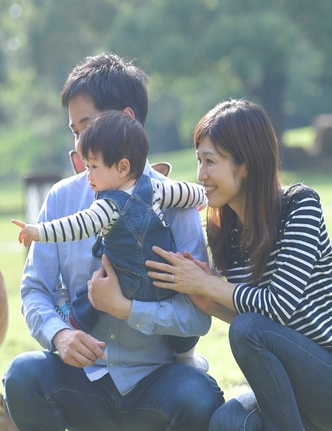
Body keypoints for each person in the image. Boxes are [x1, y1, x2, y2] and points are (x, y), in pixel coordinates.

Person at [2, 54, 225, 431]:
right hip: (83, 383)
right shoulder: (63, 198)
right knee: (22, 376)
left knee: (202, 396)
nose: (79, 143)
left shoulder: (174, 203)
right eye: (73, 131)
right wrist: (60, 335)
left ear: (125, 120)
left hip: (156, 383)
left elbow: (196, 318)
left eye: (86, 126)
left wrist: (126, 308)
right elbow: (34, 290)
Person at [146, 99, 332, 431]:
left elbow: (277, 306)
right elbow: (254, 319)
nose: (200, 175)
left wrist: (209, 286)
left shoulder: (300, 205)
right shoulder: (225, 230)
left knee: (249, 329)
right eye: (198, 162)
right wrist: (205, 299)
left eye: (210, 161)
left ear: (247, 165)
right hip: (297, 386)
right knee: (226, 430)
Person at [11, 110, 206, 354]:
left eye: (93, 167)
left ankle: (72, 320)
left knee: (93, 291)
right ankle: (181, 346)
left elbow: (77, 225)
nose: (87, 174)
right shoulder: (156, 188)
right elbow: (188, 193)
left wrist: (38, 231)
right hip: (162, 285)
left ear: (123, 167)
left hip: (129, 285)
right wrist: (204, 198)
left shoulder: (108, 204)